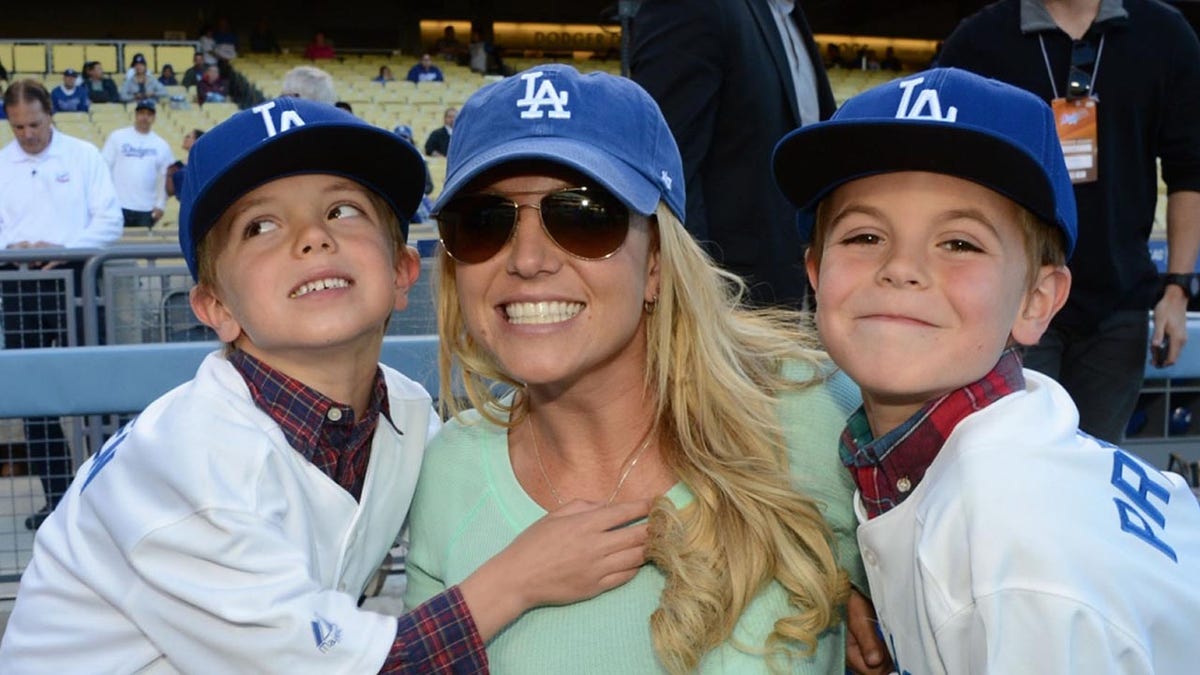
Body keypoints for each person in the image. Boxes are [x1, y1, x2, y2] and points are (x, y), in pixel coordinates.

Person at [0, 96, 650, 671]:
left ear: (401, 271)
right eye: (260, 225)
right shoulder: (187, 471)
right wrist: (520, 577)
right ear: (215, 308)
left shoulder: (405, 411)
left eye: (342, 209)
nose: (311, 238)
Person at [404, 64, 877, 674]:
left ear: (656, 261)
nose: (526, 259)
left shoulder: (812, 413)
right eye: (483, 222)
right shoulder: (448, 472)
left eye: (582, 216)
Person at [774, 66, 1200, 673]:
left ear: (1036, 302)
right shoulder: (1010, 427)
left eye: (959, 244)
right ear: (815, 273)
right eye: (865, 235)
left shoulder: (1013, 562)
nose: (901, 268)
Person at [938, 0, 1200, 444]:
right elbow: (943, 171)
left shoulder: (1164, 35)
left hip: (1118, 307)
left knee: (1096, 470)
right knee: (1012, 462)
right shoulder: (979, 40)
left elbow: (1189, 171)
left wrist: (1177, 287)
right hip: (1013, 303)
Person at [631, 0, 836, 311]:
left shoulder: (789, 15)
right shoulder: (695, 7)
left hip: (790, 296)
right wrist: (702, 305)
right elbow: (669, 172)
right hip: (726, 306)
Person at [0, 80, 121, 531]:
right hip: (20, 283)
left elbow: (109, 220)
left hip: (78, 279)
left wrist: (64, 246)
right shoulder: (2, 164)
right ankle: (58, 499)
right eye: (17, 128)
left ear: (50, 115)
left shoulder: (84, 156)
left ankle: (107, 499)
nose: (27, 134)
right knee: (36, 398)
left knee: (99, 393)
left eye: (34, 124)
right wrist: (17, 247)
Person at [102, 99, 173, 230]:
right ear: (135, 115)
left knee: (141, 247)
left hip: (146, 209)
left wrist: (160, 205)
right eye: (141, 113)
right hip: (118, 205)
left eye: (149, 114)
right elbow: (104, 168)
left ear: (154, 117)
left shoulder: (161, 145)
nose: (144, 117)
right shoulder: (117, 137)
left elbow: (164, 178)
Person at [166, 128, 204, 199]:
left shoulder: (204, 163)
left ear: (197, 141)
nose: (185, 138)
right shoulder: (177, 165)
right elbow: (170, 191)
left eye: (188, 137)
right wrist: (169, 175)